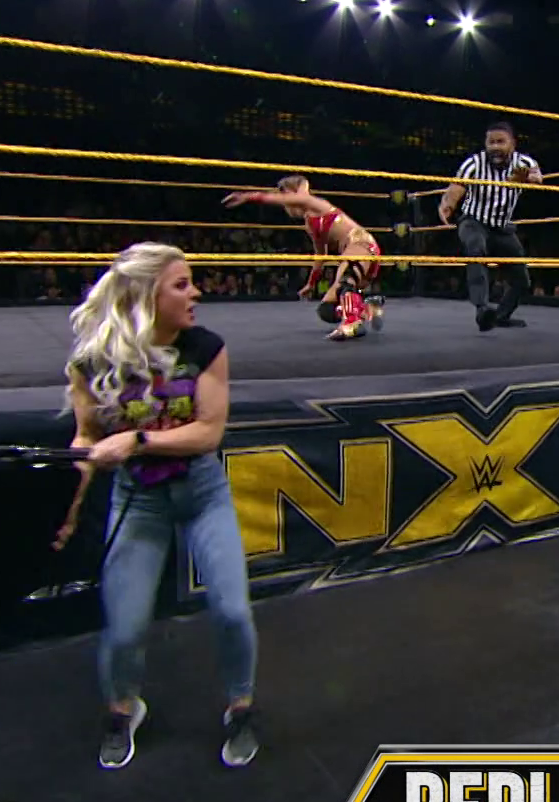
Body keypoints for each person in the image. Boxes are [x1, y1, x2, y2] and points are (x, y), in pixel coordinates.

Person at [54, 243, 260, 771]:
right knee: (124, 627)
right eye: (181, 284)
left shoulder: (205, 347)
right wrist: (73, 501)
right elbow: (85, 438)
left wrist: (137, 440)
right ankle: (123, 709)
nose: (196, 293)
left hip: (202, 492)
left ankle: (241, 706)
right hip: (139, 499)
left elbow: (208, 432)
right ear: (148, 295)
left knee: (233, 611)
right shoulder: (92, 362)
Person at [224, 177, 385, 340]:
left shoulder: (316, 204)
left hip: (361, 245)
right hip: (354, 255)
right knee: (326, 310)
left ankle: (352, 324)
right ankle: (368, 308)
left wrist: (248, 196)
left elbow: (298, 195)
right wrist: (311, 283)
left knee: (345, 281)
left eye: (286, 200)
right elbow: (321, 254)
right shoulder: (310, 222)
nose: (286, 207)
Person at [440, 121, 543, 331]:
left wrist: (526, 178)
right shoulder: (474, 163)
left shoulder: (523, 162)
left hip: (502, 228)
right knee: (476, 249)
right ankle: (482, 308)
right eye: (491, 142)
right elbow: (456, 187)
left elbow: (537, 177)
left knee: (522, 280)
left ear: (512, 144)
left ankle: (501, 316)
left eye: (500, 142)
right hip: (473, 221)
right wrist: (448, 205)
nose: (495, 147)